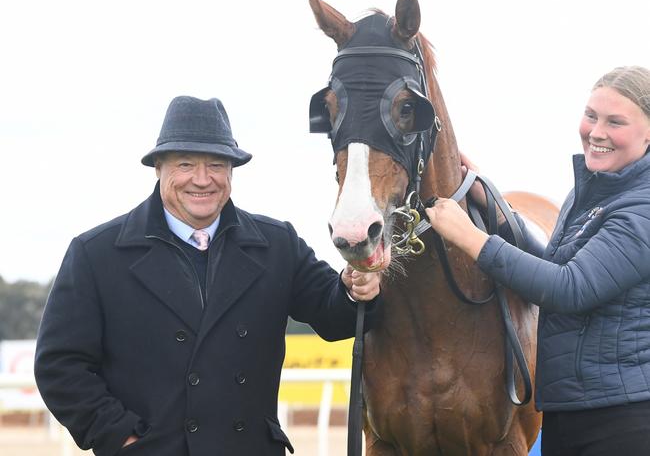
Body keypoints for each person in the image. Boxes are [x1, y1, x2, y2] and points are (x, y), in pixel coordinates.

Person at [34, 96, 382, 456]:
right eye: (185, 164)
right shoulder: (95, 253)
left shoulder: (277, 244)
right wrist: (121, 435)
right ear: (159, 167)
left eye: (216, 164)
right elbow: (59, 366)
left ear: (231, 170)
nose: (202, 180)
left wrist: (355, 288)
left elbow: (333, 311)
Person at [425, 65, 650, 455]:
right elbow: (551, 264)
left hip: (623, 419)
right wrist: (493, 207)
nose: (596, 132)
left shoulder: (641, 208)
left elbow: (569, 288)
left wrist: (470, 237)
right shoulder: (592, 194)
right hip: (570, 411)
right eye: (591, 115)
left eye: (616, 122)